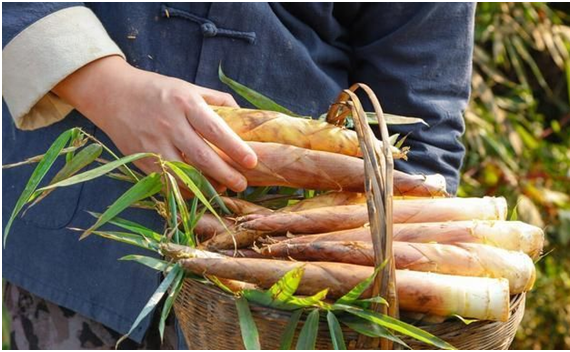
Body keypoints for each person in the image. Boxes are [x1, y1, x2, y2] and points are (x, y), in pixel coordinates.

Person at [2, 3, 475, 349]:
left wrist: (392, 289)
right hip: (75, 241)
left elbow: (419, 112)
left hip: (286, 296)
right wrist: (105, 87)